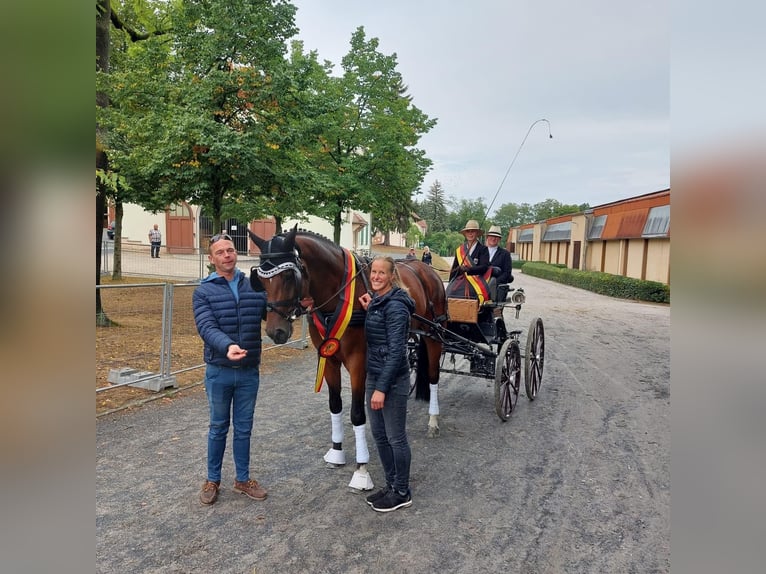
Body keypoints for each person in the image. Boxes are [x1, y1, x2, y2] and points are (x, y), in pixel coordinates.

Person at [193, 233, 268, 505]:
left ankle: (243, 479)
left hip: (249, 370)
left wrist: (298, 305)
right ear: (212, 259)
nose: (227, 255)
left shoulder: (254, 287)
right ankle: (212, 480)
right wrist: (227, 346)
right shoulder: (203, 291)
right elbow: (206, 327)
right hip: (219, 370)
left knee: (244, 428)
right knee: (218, 426)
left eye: (230, 250)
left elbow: (272, 312)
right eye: (221, 252)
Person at [358, 256, 415, 513]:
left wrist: (381, 388)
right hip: (375, 375)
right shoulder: (380, 302)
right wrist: (371, 308)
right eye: (374, 273)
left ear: (392, 276)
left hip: (392, 380)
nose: (376, 277)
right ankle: (391, 485)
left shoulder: (397, 307)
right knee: (379, 435)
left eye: (382, 273)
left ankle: (402, 491)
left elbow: (396, 352)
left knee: (395, 437)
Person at [485, 225, 513, 303]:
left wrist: (493, 283)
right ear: (487, 237)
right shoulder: (481, 251)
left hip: (497, 288)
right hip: (480, 285)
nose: (493, 238)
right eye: (492, 236)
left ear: (499, 239)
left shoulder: (505, 254)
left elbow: (507, 273)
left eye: (496, 237)